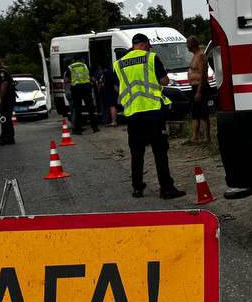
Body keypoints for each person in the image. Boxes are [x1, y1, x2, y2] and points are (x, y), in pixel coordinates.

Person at [114, 34, 184, 200]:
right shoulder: (151, 58)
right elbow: (164, 81)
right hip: (153, 111)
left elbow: (118, 86)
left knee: (136, 153)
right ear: (145, 44)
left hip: (132, 113)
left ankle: (137, 188)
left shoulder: (119, 63)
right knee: (160, 152)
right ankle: (166, 189)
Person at [186, 37, 211, 145]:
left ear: (192, 44)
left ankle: (207, 138)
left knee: (203, 113)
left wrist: (199, 91)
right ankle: (195, 137)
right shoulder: (195, 55)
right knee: (195, 113)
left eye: (188, 44)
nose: (187, 46)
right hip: (194, 87)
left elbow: (203, 75)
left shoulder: (200, 56)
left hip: (201, 87)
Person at [65, 57, 99, 134]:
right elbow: (92, 78)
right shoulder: (85, 66)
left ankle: (77, 129)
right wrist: (93, 84)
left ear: (74, 61)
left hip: (76, 90)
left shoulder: (70, 67)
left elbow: (67, 80)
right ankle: (95, 128)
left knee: (77, 110)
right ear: (80, 60)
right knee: (90, 109)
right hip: (86, 88)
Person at [0, 57, 16, 145]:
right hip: (5, 98)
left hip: (6, 99)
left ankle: (6, 138)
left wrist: (0, 98)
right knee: (5, 118)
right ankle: (6, 137)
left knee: (5, 118)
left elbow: (4, 85)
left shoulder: (1, 72)